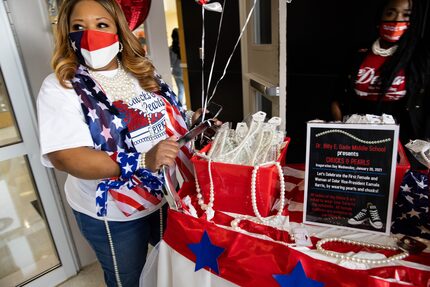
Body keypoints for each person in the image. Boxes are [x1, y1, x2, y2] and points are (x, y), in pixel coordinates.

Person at [36, 0, 200, 286]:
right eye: (78, 27)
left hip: (164, 194)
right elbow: (67, 157)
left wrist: (192, 121)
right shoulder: (60, 86)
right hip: (113, 212)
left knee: (171, 265)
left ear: (119, 31)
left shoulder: (142, 70)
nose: (89, 35)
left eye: (101, 24)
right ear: (67, 34)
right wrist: (141, 160)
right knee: (128, 278)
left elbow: (164, 115)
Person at [331, 0, 430, 147]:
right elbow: (337, 97)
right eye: (390, 13)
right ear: (380, 17)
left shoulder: (420, 57)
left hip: (405, 142)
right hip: (358, 137)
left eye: (406, 15)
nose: (397, 20)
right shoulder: (359, 53)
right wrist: (340, 132)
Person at [169, 28, 185, 106]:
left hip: (175, 72)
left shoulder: (171, 48)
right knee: (188, 91)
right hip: (183, 72)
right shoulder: (183, 46)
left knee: (180, 91)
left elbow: (171, 63)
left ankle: (180, 107)